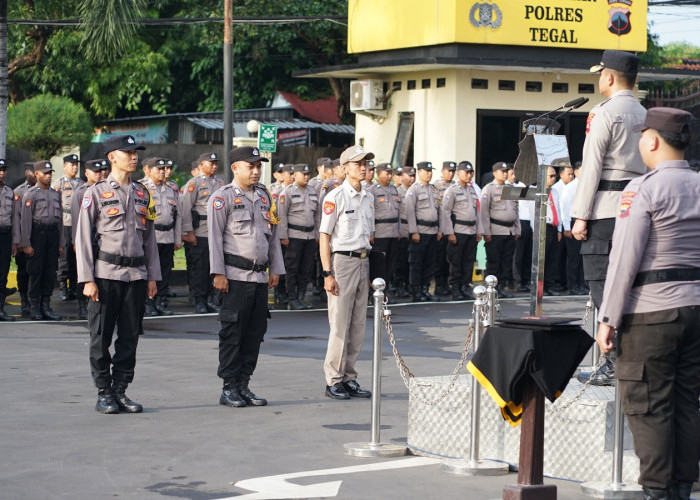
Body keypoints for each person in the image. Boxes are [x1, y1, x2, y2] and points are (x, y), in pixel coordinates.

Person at [596, 107, 700, 500]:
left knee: (650, 407)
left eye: (641, 136)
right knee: (686, 403)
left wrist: (608, 318)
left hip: (651, 313)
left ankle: (657, 492)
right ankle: (680, 489)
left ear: (652, 140)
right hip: (695, 309)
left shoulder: (643, 188)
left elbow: (624, 257)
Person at [571, 49, 647, 385]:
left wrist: (580, 215)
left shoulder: (603, 113)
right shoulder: (646, 114)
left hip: (605, 210)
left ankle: (614, 361)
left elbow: (592, 168)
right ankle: (632, 359)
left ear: (611, 76)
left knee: (603, 286)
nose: (599, 78)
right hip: (638, 208)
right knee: (634, 286)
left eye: (601, 72)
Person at [76, 135, 160, 414]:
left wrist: (152, 276)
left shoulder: (142, 193)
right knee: (100, 336)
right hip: (105, 275)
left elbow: (149, 240)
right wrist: (87, 279)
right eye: (128, 152)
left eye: (135, 152)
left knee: (130, 335)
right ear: (112, 157)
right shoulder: (95, 193)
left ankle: (121, 390)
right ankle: (103, 393)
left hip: (135, 275)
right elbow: (84, 239)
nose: (134, 156)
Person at [208, 146, 284, 408]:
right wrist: (218, 273)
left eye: (258, 166)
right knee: (233, 333)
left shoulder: (265, 197)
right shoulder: (222, 197)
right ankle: (229, 387)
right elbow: (215, 239)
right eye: (250, 166)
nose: (255, 171)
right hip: (234, 276)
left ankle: (243, 384)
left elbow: (272, 236)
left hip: (259, 278)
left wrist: (276, 268)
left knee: (255, 333)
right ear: (235, 168)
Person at [320, 145, 374, 400]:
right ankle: (333, 380)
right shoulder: (336, 197)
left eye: (366, 163)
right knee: (339, 325)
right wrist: (327, 273)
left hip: (363, 261)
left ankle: (349, 377)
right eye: (357, 163)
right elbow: (324, 236)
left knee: (358, 325)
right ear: (344, 168)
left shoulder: (369, 197)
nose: (363, 167)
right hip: (342, 262)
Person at [180, 152, 224, 314]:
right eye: (210, 163)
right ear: (201, 165)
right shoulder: (194, 183)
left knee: (215, 267)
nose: (214, 165)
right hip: (201, 231)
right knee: (200, 267)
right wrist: (188, 232)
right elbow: (186, 210)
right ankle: (199, 299)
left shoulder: (220, 182)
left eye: (215, 163)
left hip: (217, 231)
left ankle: (211, 298)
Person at [21, 161, 64, 321]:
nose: (48, 176)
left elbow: (59, 222)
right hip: (37, 235)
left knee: (50, 271)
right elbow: (25, 221)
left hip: (52, 235)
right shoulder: (31, 194)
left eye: (50, 173)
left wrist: (61, 243)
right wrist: (26, 243)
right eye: (45, 173)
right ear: (36, 174)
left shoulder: (55, 194)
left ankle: (46, 306)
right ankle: (34, 307)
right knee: (36, 272)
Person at [142, 157, 182, 316]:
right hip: (152, 236)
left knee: (165, 271)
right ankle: (148, 302)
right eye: (159, 169)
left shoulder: (171, 188)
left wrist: (177, 238)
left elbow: (177, 215)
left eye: (164, 169)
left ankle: (161, 301)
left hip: (168, 236)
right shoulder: (143, 188)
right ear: (150, 170)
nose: (163, 172)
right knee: (150, 270)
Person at [70, 159, 110, 319]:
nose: (100, 174)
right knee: (84, 272)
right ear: (87, 173)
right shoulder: (80, 192)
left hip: (100, 240)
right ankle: (82, 304)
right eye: (96, 172)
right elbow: (75, 221)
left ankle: (97, 304)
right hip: (86, 239)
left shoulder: (105, 190)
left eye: (101, 171)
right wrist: (75, 242)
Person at [277, 163, 320, 310]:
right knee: (292, 268)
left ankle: (301, 297)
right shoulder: (287, 192)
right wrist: (283, 236)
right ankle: (292, 298)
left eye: (308, 174)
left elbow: (317, 215)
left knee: (306, 268)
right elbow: (281, 215)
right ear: (295, 175)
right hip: (294, 236)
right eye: (304, 174)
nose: (307, 177)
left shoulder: (313, 191)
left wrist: (318, 234)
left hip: (309, 236)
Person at [440, 160, 483, 300]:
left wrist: (479, 230)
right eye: (466, 172)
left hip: (471, 230)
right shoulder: (452, 190)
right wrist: (449, 232)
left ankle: (464, 286)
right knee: (456, 261)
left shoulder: (472, 189)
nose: (469, 175)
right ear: (459, 173)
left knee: (469, 261)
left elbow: (477, 212)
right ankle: (456, 288)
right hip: (458, 230)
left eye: (471, 172)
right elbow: (445, 212)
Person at [478, 161, 521, 298]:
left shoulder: (510, 188)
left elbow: (516, 209)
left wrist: (517, 228)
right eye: (502, 171)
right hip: (495, 230)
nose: (505, 173)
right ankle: (492, 288)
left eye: (506, 171)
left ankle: (501, 286)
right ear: (495, 173)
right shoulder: (489, 189)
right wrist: (486, 232)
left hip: (509, 230)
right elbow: (483, 212)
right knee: (494, 261)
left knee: (506, 261)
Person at [405, 161, 441, 302]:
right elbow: (409, 212)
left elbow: (439, 210)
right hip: (420, 231)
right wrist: (414, 231)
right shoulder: (414, 190)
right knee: (416, 263)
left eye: (430, 170)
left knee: (430, 263)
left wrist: (439, 230)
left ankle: (426, 289)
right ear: (419, 172)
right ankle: (416, 290)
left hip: (432, 231)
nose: (429, 173)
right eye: (426, 171)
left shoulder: (433, 189)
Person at [54, 153, 84, 302]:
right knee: (65, 257)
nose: (74, 167)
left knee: (77, 256)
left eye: (76, 164)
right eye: (71, 164)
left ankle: (73, 286)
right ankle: (63, 287)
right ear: (64, 166)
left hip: (79, 223)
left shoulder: (81, 183)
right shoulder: (58, 183)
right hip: (66, 223)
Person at [368, 162, 401, 296]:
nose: (389, 176)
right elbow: (369, 214)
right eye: (386, 173)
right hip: (380, 233)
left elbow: (398, 213)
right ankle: (375, 291)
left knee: (390, 264)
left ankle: (385, 292)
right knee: (378, 265)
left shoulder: (394, 189)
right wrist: (371, 233)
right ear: (379, 174)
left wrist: (399, 230)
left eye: (390, 173)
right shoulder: (373, 190)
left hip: (393, 232)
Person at [13, 162, 37, 315]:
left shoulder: (44, 191)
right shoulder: (18, 191)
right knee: (23, 271)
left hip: (38, 236)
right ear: (28, 172)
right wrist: (18, 240)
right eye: (35, 172)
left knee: (36, 271)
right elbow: (16, 217)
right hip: (23, 238)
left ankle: (36, 302)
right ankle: (24, 301)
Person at [560, 162, 587, 295]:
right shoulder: (570, 187)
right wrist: (566, 227)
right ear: (576, 172)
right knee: (574, 258)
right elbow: (565, 209)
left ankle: (583, 284)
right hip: (572, 222)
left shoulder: (587, 185)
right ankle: (573, 285)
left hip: (584, 222)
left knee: (584, 257)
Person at [433, 161, 456, 296]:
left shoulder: (455, 186)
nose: (450, 173)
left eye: (453, 171)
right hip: (440, 222)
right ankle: (439, 284)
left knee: (450, 256)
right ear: (442, 171)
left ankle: (446, 283)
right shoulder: (436, 186)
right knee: (439, 257)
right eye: (448, 170)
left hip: (453, 223)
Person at [0, 159, 20, 321]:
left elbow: (14, 218)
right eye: (0, 170)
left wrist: (15, 241)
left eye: (4, 170)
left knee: (3, 272)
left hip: (5, 236)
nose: (2, 172)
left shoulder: (9, 192)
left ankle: (0, 308)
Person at [394, 166, 414, 297]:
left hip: (413, 229)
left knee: (410, 260)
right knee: (400, 261)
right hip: (402, 229)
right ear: (402, 177)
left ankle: (409, 284)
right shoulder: (396, 191)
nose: (412, 178)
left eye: (413, 176)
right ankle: (399, 286)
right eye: (409, 176)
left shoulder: (416, 190)